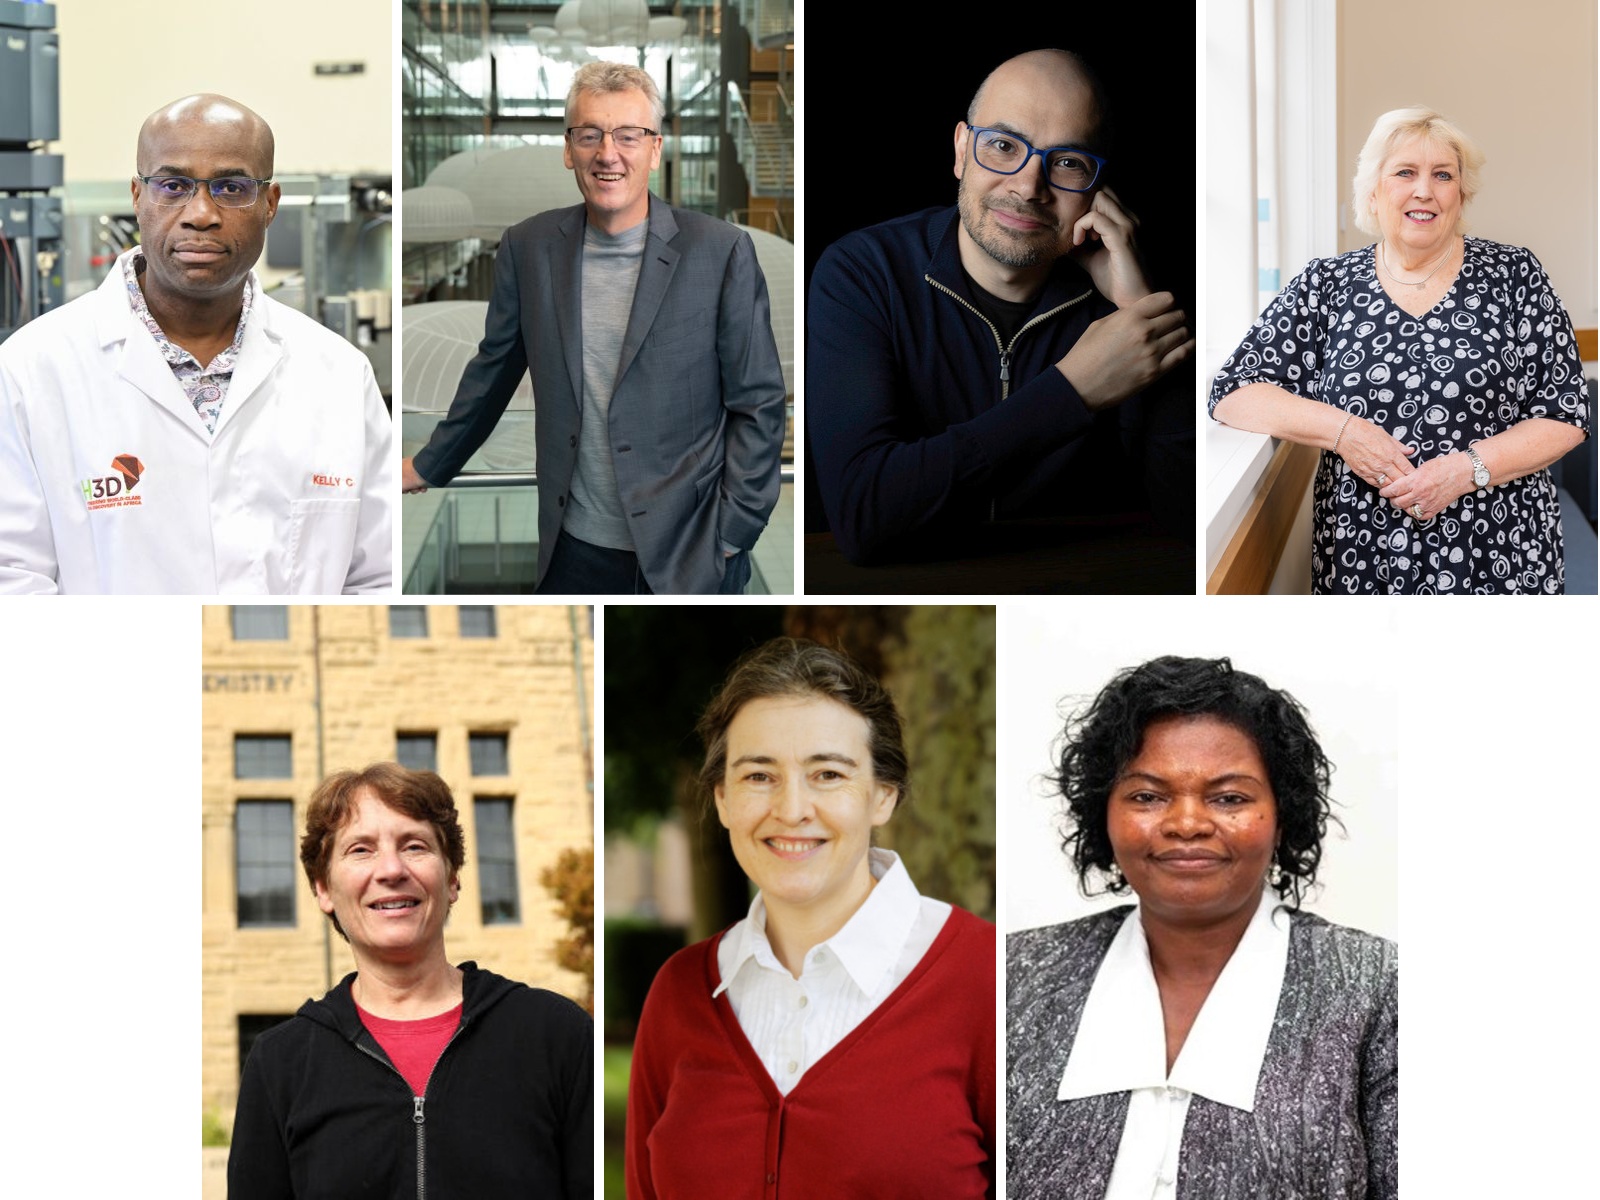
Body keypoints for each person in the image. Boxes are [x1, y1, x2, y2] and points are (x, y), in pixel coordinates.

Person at [1007, 656, 1396, 1199]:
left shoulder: (1380, 989)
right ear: (1104, 812)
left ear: (1283, 813)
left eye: (1229, 798)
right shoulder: (1011, 975)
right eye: (1147, 796)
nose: (1187, 823)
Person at [626, 638, 995, 1198]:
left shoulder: (989, 977)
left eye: (827, 775)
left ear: (883, 797)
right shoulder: (678, 992)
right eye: (758, 776)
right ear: (722, 799)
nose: (792, 808)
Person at [401, 61, 786, 596]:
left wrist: (732, 532)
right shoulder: (528, 248)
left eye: (629, 135)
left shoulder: (721, 251)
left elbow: (759, 403)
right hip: (572, 548)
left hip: (692, 548)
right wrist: (427, 463)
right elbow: (494, 371)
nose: (609, 154)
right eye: (590, 135)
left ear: (655, 149)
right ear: (569, 148)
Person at [806, 49, 1194, 565]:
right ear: (962, 149)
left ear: (1099, 186)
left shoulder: (1121, 304)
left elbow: (1188, 525)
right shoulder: (864, 272)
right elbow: (864, 515)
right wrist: (1074, 390)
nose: (1028, 186)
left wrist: (1142, 309)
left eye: (1068, 162)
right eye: (1004, 146)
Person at [0, 94, 392, 594]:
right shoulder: (31, 370)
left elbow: (377, 578)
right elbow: (12, 582)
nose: (201, 213)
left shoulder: (338, 374)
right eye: (173, 185)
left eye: (232, 187)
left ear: (270, 204)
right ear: (137, 197)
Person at [1210, 108, 1590, 594]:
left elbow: (1564, 414)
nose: (1424, 191)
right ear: (1373, 189)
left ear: (1462, 192)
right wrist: (1345, 432)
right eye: (1405, 172)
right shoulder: (1327, 283)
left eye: (1443, 175)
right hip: (1361, 549)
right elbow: (1234, 391)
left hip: (1500, 545)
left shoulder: (1515, 275)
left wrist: (1463, 470)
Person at [228, 763, 592, 1199]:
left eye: (414, 846)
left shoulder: (555, 1035)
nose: (391, 869)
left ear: (452, 877)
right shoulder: (280, 1064)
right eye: (360, 850)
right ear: (323, 888)